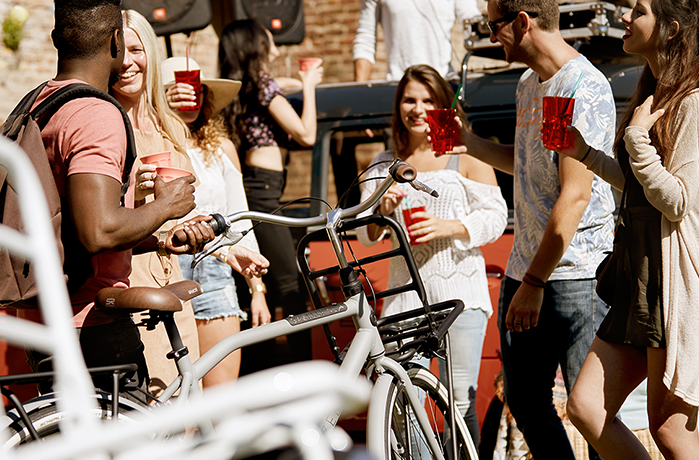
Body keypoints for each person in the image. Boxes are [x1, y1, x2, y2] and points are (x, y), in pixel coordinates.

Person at [22, 0, 217, 402]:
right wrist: (166, 205)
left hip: (45, 316)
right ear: (115, 41)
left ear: (57, 39)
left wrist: (159, 239)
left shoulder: (38, 102)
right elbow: (98, 231)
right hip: (92, 322)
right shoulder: (98, 114)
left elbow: (70, 224)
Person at [447, 0, 616, 458]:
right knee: (524, 399)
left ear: (522, 22)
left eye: (493, 24)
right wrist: (470, 143)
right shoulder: (528, 85)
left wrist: (535, 282)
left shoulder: (583, 86)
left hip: (576, 274)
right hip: (529, 272)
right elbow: (526, 165)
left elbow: (575, 195)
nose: (488, 34)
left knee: (593, 414)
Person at [560, 0, 699, 457]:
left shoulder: (692, 101)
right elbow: (641, 189)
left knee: (671, 431)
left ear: (671, 28)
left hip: (668, 281)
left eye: (637, 10)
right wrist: (586, 154)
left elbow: (677, 200)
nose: (624, 17)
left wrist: (637, 140)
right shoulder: (653, 92)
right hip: (634, 277)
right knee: (584, 406)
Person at [111, 10, 268, 394]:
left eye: (137, 48)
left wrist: (235, 259)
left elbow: (221, 215)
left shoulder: (178, 136)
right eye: (121, 50)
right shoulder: (111, 123)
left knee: (199, 402)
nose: (129, 60)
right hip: (134, 277)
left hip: (195, 268)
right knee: (154, 401)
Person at [355, 64, 507, 443]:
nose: (418, 108)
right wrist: (380, 210)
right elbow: (366, 234)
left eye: (428, 100)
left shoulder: (465, 152)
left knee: (458, 402)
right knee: (406, 401)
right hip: (403, 297)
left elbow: (496, 216)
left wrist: (451, 227)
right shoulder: (381, 163)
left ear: (443, 106)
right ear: (399, 106)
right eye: (409, 99)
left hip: (460, 295)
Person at [162, 56, 272, 387]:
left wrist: (257, 289)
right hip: (167, 268)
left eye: (198, 90)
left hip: (216, 268)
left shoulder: (221, 147)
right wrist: (161, 114)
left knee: (220, 398)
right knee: (177, 399)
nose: (190, 96)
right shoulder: (154, 142)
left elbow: (240, 219)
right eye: (177, 90)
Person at [218, 19, 323, 368]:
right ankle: (303, 367)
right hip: (264, 192)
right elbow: (306, 135)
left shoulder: (244, 88)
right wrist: (308, 86)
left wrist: (292, 83)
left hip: (259, 189)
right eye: (269, 41)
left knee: (265, 283)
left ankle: (260, 367)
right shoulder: (263, 85)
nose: (276, 48)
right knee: (291, 284)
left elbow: (277, 89)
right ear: (255, 47)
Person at [352, 0, 482, 81]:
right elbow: (366, 38)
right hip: (400, 86)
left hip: (442, 83)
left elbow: (472, 22)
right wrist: (358, 102)